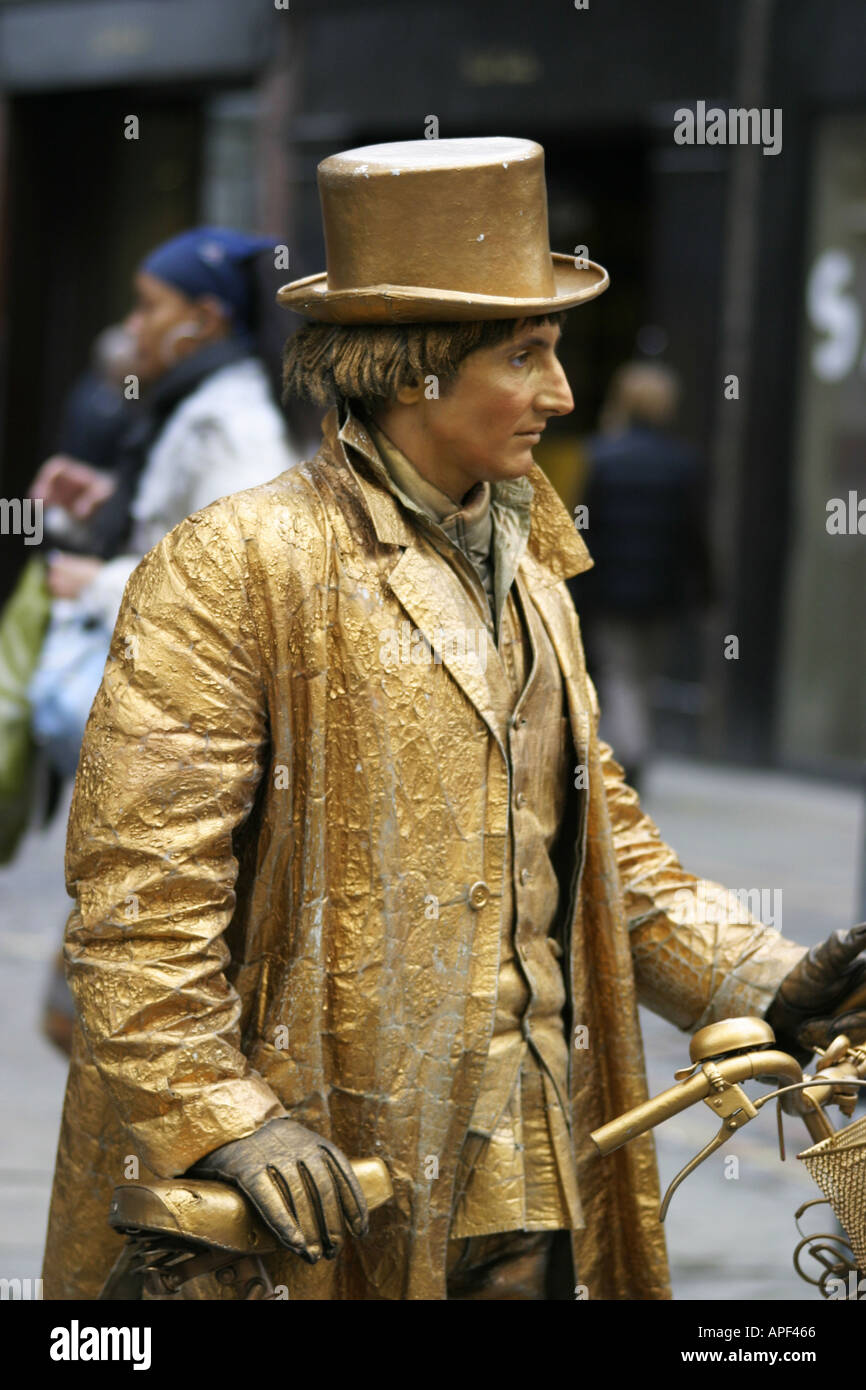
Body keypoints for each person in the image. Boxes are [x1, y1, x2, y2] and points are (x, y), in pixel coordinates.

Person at [41, 139, 866, 1301]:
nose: (560, 393)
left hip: (532, 1141)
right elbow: (138, 897)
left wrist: (763, 980)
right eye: (524, 354)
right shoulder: (237, 562)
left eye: (556, 352)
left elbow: (601, 846)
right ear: (411, 370)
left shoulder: (529, 560)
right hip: (328, 1154)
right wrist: (218, 1114)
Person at [28, 226, 301, 1053]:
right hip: (158, 730)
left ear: (205, 318)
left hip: (178, 740)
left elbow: (237, 579)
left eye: (152, 306)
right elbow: (181, 534)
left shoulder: (233, 422)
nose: (136, 324)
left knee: (125, 994)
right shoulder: (195, 400)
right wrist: (101, 500)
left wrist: (98, 583)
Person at [568, 360, 713, 791]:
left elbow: (583, 526)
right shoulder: (682, 463)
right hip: (662, 593)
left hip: (611, 590)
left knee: (620, 674)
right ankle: (634, 752)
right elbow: (696, 535)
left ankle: (629, 755)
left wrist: (577, 584)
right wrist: (705, 588)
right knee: (644, 676)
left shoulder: (602, 457)